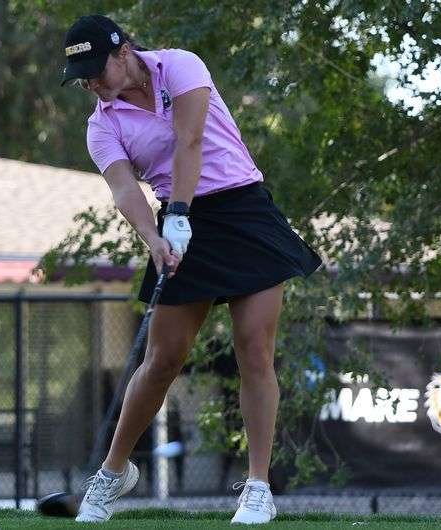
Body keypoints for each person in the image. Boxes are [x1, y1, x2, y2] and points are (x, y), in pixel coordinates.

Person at [60, 14, 322, 525]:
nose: (92, 83)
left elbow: (190, 141)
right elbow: (124, 191)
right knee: (162, 359)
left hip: (244, 211)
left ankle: (259, 488)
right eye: (81, 77)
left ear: (123, 51)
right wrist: (155, 239)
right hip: (175, 223)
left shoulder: (180, 66)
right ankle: (114, 474)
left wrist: (178, 214)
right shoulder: (101, 124)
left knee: (254, 351)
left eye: (96, 69)